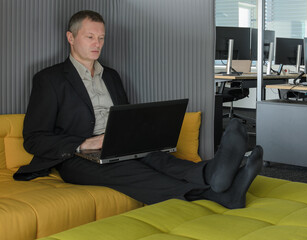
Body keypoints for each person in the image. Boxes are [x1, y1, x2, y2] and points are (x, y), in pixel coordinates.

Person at [14, 10, 263, 209]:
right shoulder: (49, 79)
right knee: (131, 170)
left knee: (157, 157)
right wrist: (83, 144)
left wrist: (141, 134)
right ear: (71, 37)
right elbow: (34, 139)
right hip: (76, 158)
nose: (97, 44)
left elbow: (124, 118)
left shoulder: (111, 76)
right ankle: (219, 191)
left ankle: (213, 172)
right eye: (90, 37)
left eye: (101, 38)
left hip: (119, 144)